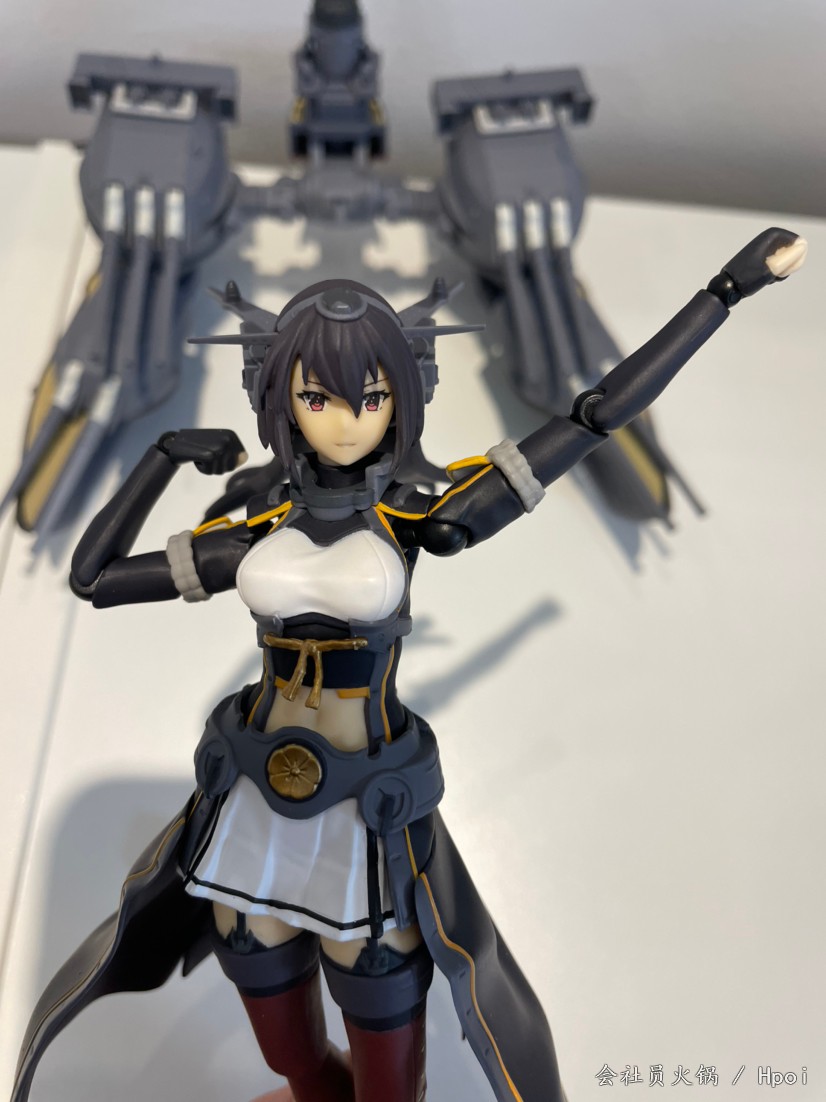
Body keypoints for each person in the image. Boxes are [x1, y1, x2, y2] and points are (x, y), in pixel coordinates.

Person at [11, 227, 805, 1102]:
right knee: (289, 1055)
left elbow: (592, 417)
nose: (345, 418)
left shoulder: (416, 519)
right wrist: (162, 457)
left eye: (371, 395)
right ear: (282, 398)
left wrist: (724, 292)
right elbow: (94, 578)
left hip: (366, 815)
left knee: (389, 1065)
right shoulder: (254, 533)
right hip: (252, 805)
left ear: (400, 398)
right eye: (318, 395)